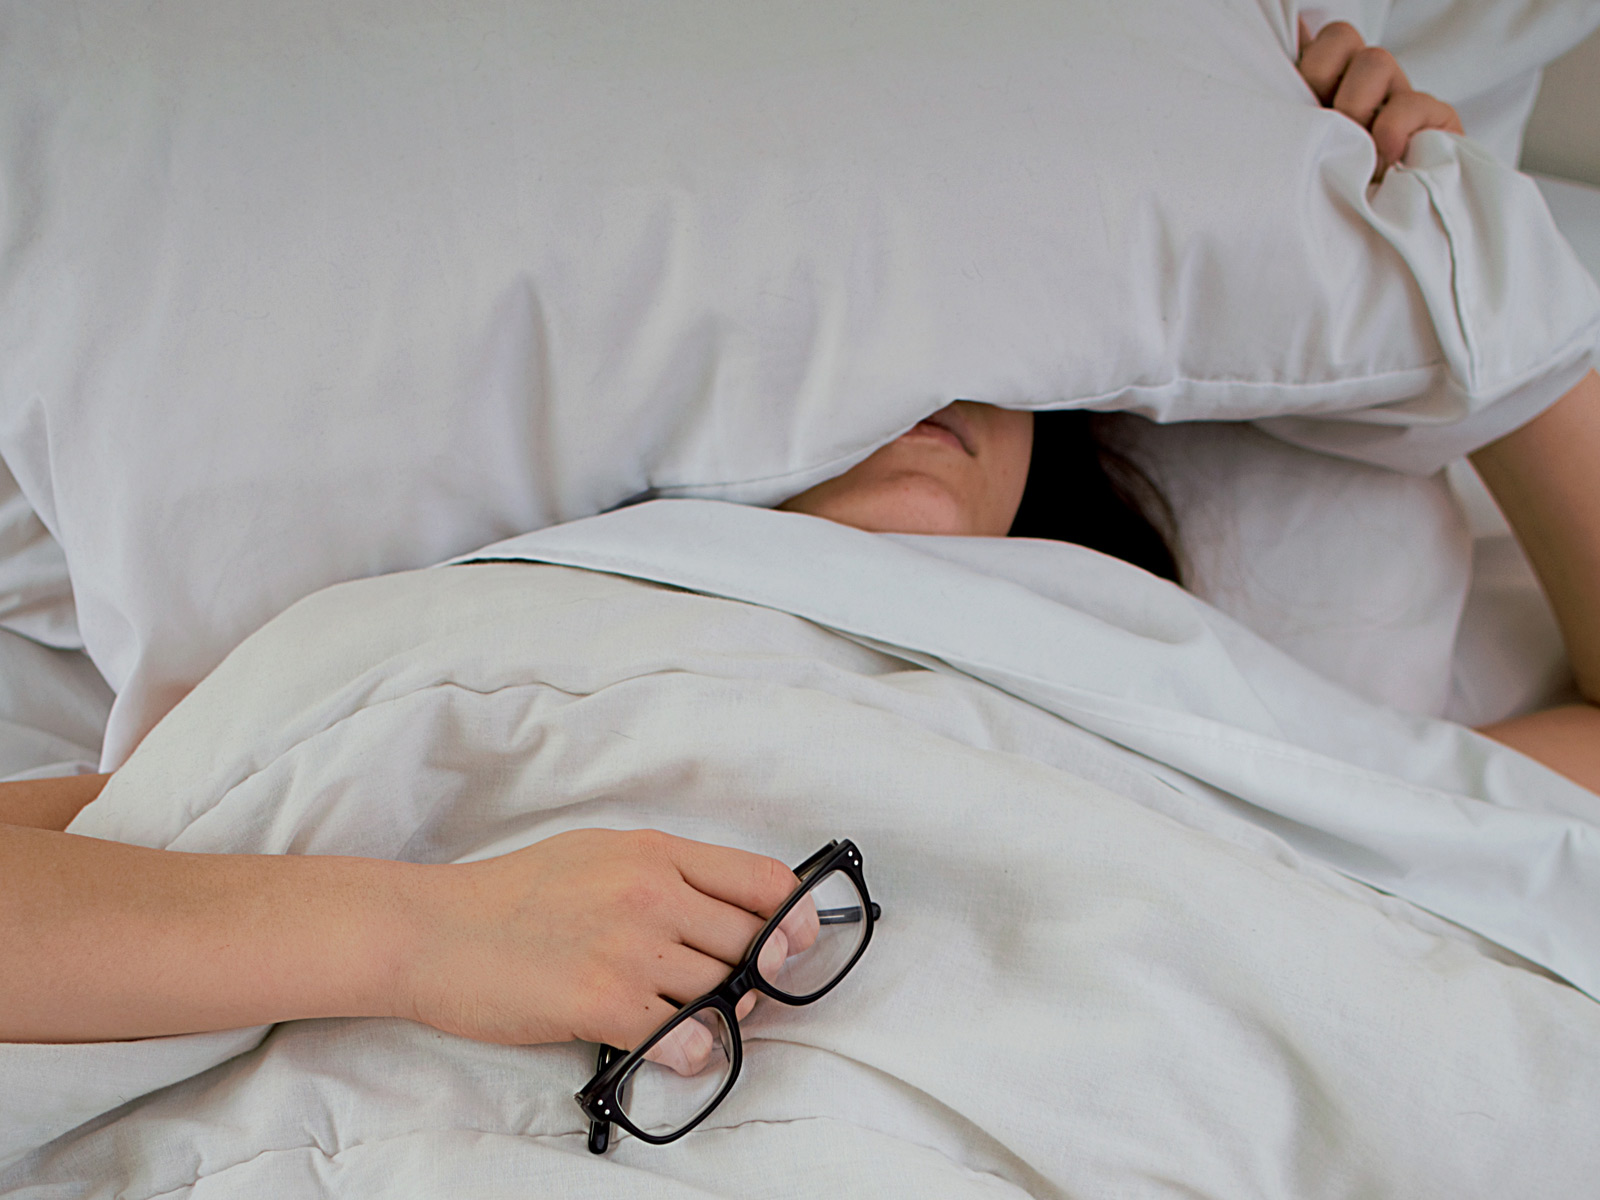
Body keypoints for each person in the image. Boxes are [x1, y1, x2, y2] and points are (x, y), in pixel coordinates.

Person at [0, 23, 1593, 1058]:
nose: (913, 392)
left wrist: (1448, 242)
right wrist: (420, 936)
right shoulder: (491, 645)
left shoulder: (1176, 694)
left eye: (975, 354)